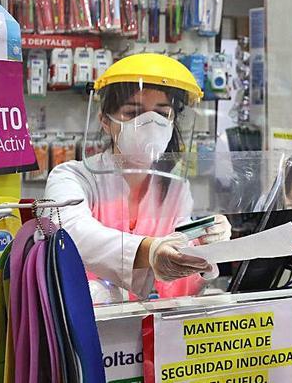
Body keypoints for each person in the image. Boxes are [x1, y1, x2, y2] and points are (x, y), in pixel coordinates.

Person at [45, 53, 232, 303]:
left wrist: (207, 239)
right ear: (105, 121)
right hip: (91, 323)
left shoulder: (176, 187)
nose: (150, 123)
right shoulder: (72, 177)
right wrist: (150, 250)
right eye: (133, 113)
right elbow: (72, 233)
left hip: (161, 326)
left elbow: (181, 252)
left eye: (161, 113)